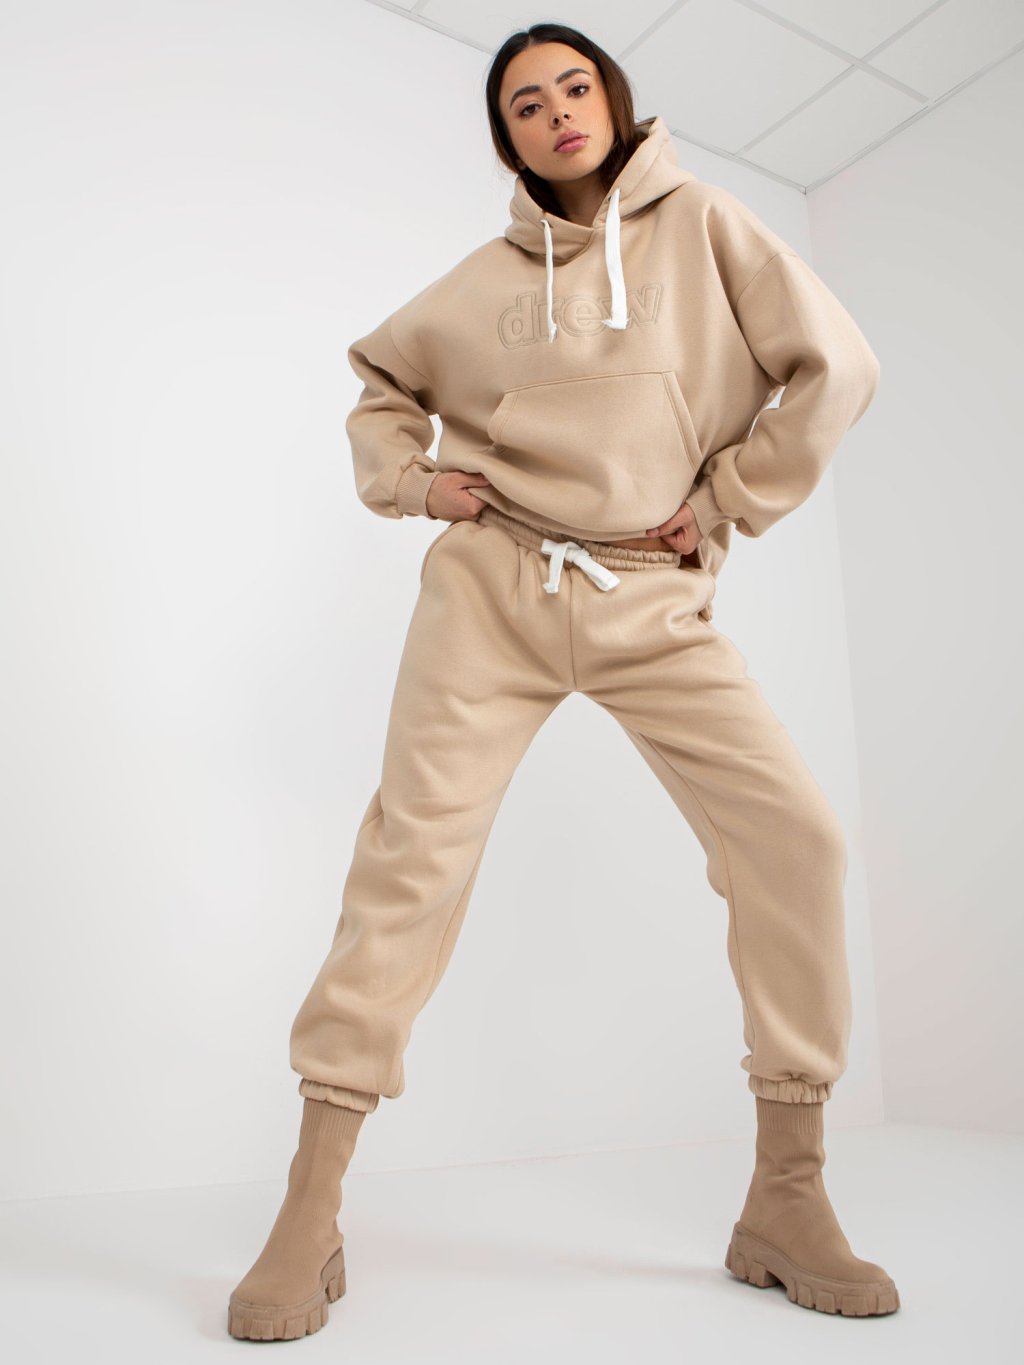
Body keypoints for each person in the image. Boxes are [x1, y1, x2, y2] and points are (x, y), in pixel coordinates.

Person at [227, 21, 900, 1341]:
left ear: (614, 97)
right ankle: (311, 1205)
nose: (556, 113)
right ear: (508, 141)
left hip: (651, 593)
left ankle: (788, 1192)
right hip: (493, 592)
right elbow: (379, 385)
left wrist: (729, 497)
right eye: (525, 104)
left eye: (574, 87)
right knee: (409, 862)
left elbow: (842, 368)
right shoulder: (482, 281)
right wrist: (416, 483)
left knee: (797, 839)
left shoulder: (705, 226)